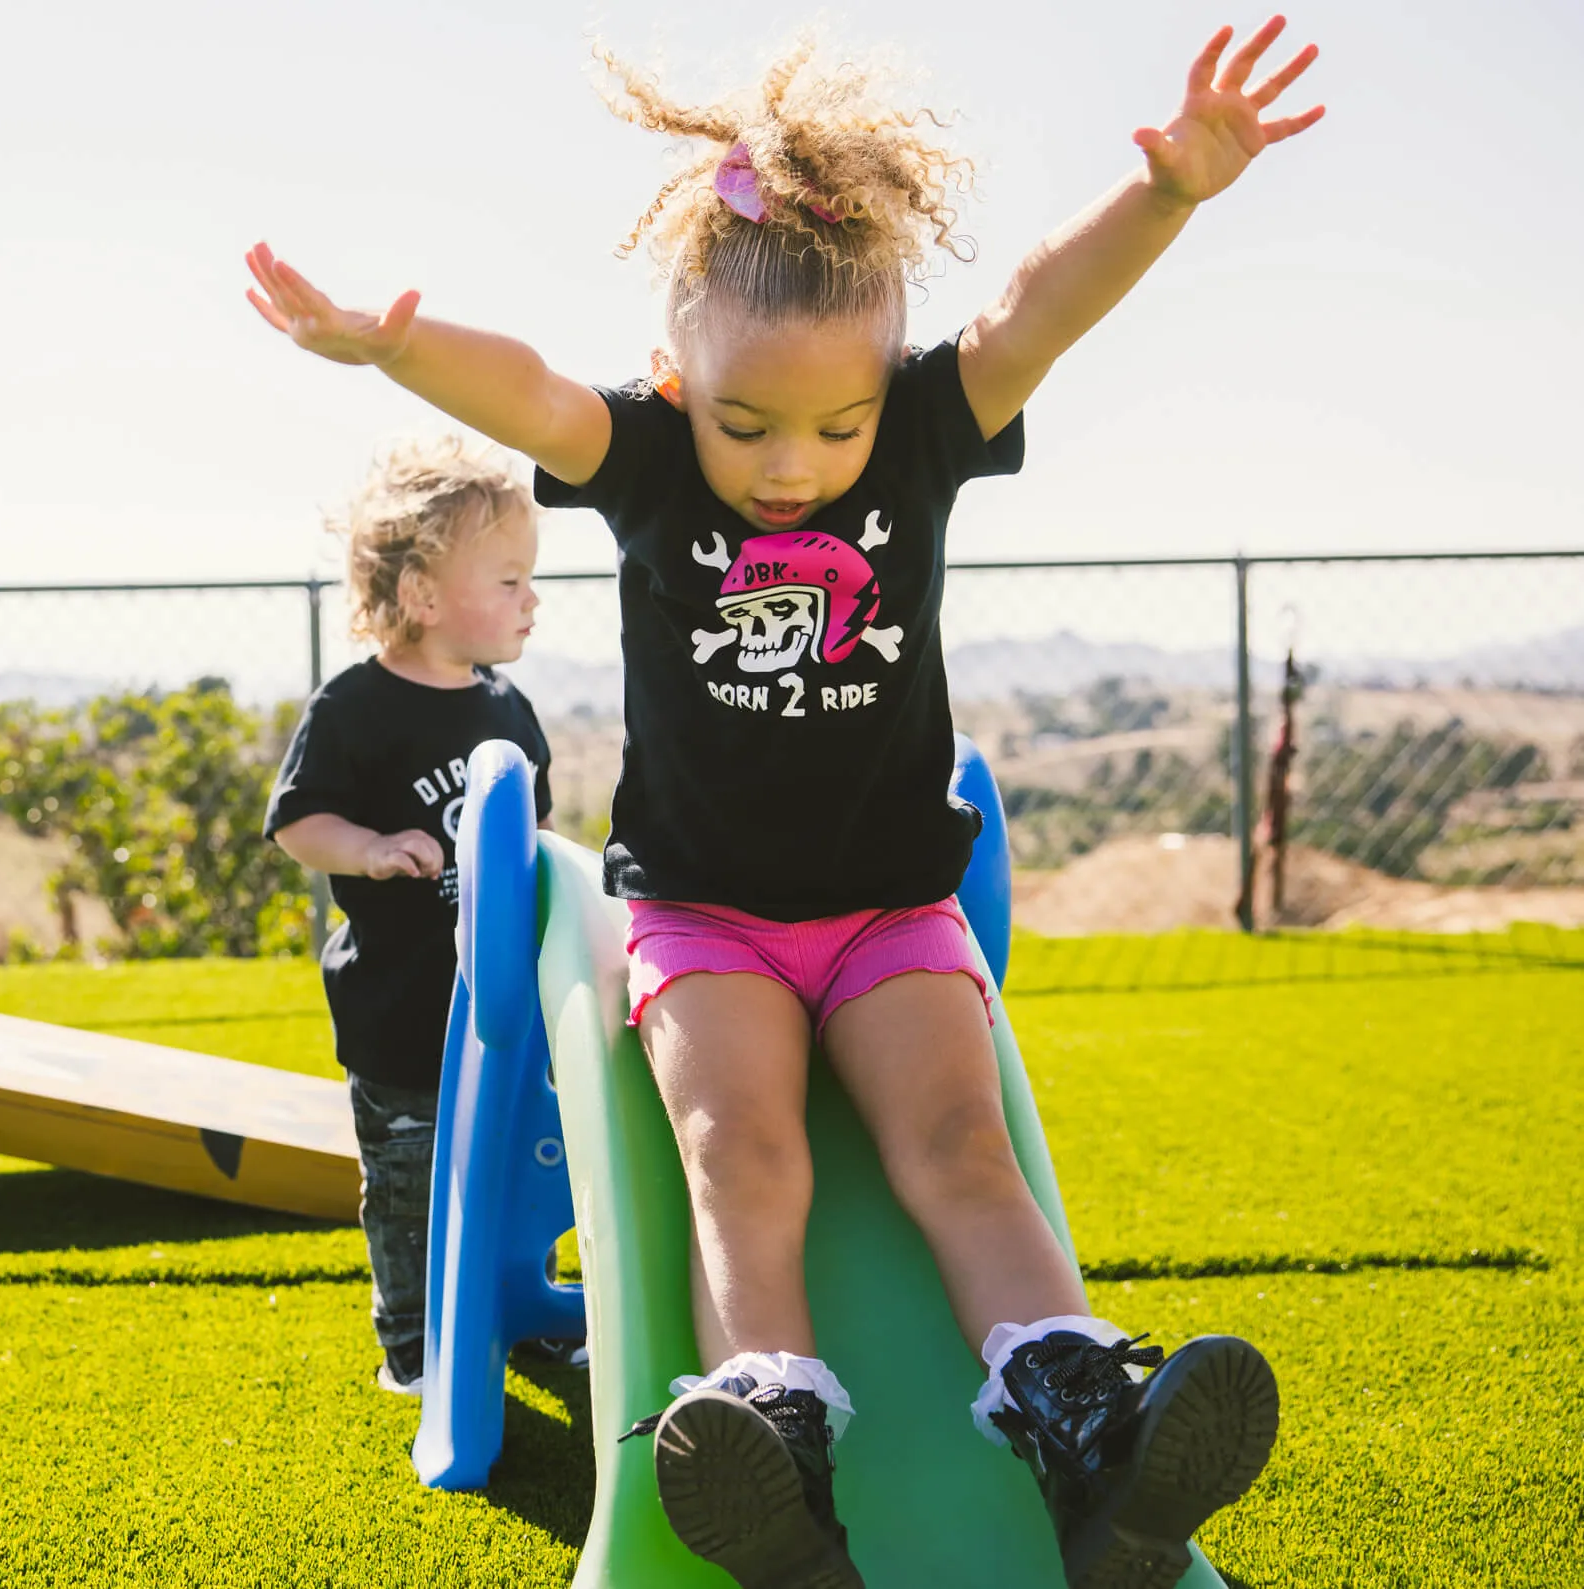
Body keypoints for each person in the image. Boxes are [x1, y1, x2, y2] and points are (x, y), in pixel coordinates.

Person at [245, 17, 1322, 1585]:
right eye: (745, 424)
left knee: (959, 1141)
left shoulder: (931, 430)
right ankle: (776, 1452)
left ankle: (1090, 1437)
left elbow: (1033, 310)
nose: (790, 465)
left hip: (891, 906)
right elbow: (536, 390)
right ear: (682, 383)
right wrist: (392, 346)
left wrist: (1165, 195)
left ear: (889, 386)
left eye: (839, 425)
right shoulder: (649, 459)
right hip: (707, 919)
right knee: (738, 1156)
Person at [264, 438, 584, 1396]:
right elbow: (297, 823)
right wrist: (365, 848)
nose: (533, 599)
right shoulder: (355, 707)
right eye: (511, 578)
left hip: (502, 1012)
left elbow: (532, 833)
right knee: (410, 1192)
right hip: (399, 1017)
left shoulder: (508, 707)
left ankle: (522, 1308)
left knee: (517, 1173)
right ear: (422, 596)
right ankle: (413, 1339)